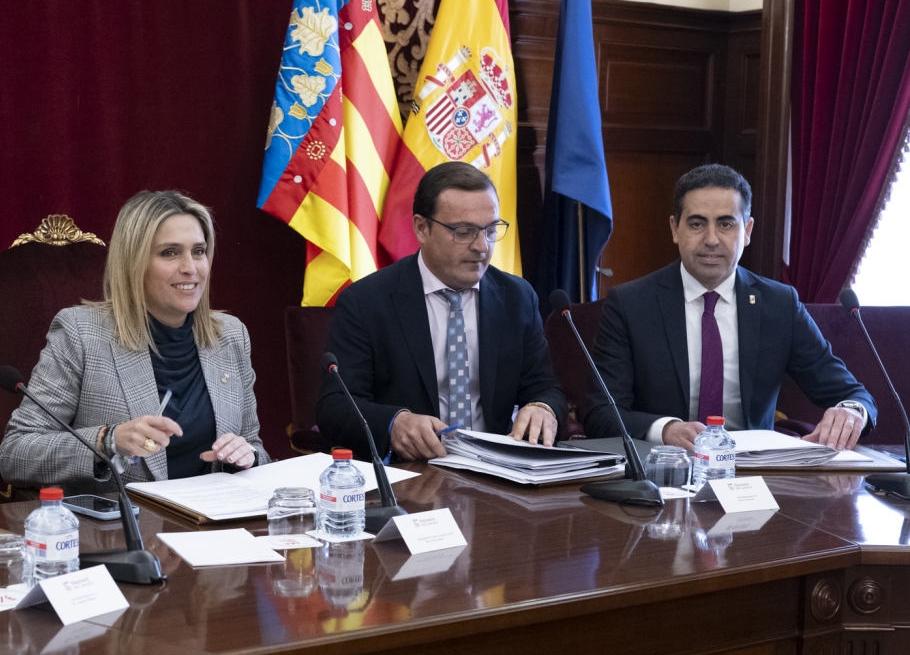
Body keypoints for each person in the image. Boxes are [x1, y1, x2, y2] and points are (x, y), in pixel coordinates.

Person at [583, 163, 876, 449]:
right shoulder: (631, 304)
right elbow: (600, 414)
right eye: (697, 224)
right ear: (675, 229)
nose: (711, 240)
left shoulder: (779, 304)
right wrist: (666, 429)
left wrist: (851, 411)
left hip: (753, 476)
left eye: (726, 224)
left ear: (746, 231)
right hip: (664, 469)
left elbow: (852, 393)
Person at [0, 190, 270, 489]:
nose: (190, 268)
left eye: (199, 251)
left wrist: (249, 457)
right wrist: (107, 440)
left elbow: (255, 447)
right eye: (169, 252)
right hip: (120, 528)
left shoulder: (230, 336)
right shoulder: (82, 333)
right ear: (133, 262)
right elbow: (16, 454)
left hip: (212, 524)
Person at [317, 162, 567, 461]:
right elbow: (335, 406)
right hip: (410, 475)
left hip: (497, 475)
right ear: (422, 228)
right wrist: (395, 422)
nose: (482, 247)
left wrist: (543, 408)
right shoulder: (367, 301)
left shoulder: (516, 297)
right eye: (464, 232)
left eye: (490, 230)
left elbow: (545, 388)